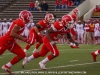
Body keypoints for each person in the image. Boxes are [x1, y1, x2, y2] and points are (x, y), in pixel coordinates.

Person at [0, 10, 33, 74]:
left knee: (22, 55)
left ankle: (7, 66)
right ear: (24, 17)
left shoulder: (21, 22)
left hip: (11, 42)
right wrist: (25, 39)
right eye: (29, 17)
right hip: (5, 41)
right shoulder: (20, 23)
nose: (30, 19)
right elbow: (12, 34)